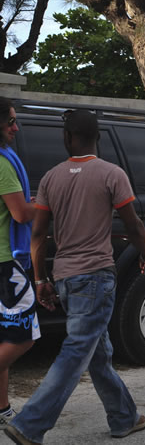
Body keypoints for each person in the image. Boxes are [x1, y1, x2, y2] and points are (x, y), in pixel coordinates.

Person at [5, 110, 145, 443]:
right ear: (97, 137)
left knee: (97, 352)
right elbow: (134, 226)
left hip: (64, 280)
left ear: (67, 138)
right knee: (77, 351)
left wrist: (41, 279)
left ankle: (123, 417)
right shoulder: (112, 174)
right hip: (96, 279)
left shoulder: (51, 178)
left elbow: (39, 234)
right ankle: (30, 425)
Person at [0, 98, 39, 431]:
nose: (16, 128)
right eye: (10, 122)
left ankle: (2, 410)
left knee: (3, 338)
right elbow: (20, 213)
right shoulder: (2, 164)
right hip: (7, 263)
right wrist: (47, 203)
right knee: (23, 337)